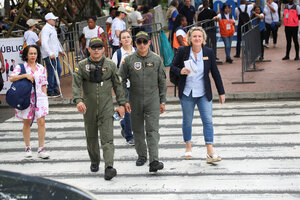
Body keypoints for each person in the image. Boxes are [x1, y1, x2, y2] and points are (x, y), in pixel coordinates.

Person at [72, 37, 126, 180]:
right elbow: (76, 84)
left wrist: (121, 104)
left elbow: (118, 85)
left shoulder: (110, 65)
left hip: (107, 108)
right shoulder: (82, 66)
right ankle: (94, 161)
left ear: (103, 49)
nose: (96, 50)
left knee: (107, 137)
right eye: (93, 47)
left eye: (99, 47)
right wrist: (78, 100)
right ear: (88, 49)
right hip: (88, 108)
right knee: (91, 137)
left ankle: (109, 166)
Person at [170, 27, 225, 162]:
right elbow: (173, 67)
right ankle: (188, 147)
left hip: (203, 93)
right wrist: (181, 71)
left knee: (207, 121)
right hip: (187, 92)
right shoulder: (183, 51)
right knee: (187, 121)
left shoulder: (208, 52)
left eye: (199, 36)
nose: (197, 39)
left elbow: (215, 73)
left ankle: (210, 151)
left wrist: (221, 92)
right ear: (190, 38)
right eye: (194, 36)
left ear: (203, 38)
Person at [119, 31, 167, 172]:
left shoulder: (157, 59)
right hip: (135, 99)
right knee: (138, 130)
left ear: (149, 43)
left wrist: (162, 101)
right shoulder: (129, 60)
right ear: (135, 43)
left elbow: (162, 82)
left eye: (144, 42)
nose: (142, 45)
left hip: (152, 99)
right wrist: (124, 100)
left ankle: (154, 160)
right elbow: (120, 80)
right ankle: (142, 155)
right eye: (139, 42)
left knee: (152, 130)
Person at [10, 45, 49, 159]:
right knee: (27, 122)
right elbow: (12, 78)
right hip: (26, 98)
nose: (33, 56)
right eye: (31, 53)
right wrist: (25, 75)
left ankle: (41, 148)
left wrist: (45, 96)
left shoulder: (41, 68)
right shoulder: (20, 67)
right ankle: (28, 147)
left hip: (40, 97)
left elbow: (44, 83)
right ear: (26, 55)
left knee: (41, 122)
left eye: (35, 53)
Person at [111, 30, 135, 146]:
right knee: (128, 111)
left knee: (136, 111)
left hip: (137, 86)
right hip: (124, 87)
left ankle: (124, 125)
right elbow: (113, 70)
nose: (126, 39)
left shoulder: (137, 51)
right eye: (123, 38)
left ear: (131, 39)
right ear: (120, 41)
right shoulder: (118, 54)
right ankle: (129, 136)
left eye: (128, 37)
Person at [40, 12, 66, 97]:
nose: (55, 20)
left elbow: (56, 41)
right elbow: (44, 43)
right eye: (53, 19)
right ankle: (50, 90)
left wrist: (60, 50)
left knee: (58, 69)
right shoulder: (46, 29)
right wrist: (50, 53)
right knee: (51, 72)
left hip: (54, 54)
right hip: (49, 55)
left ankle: (54, 87)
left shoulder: (52, 28)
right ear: (48, 20)